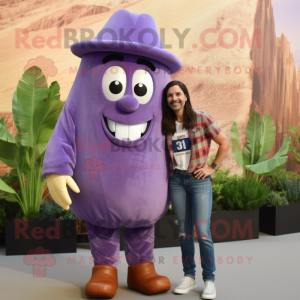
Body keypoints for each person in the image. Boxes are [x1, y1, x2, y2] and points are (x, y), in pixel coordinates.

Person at [161, 80, 229, 299]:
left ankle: (209, 280)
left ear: (186, 96)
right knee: (184, 232)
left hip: (199, 182)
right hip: (177, 181)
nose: (174, 99)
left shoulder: (201, 118)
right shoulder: (166, 124)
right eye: (170, 96)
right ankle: (189, 276)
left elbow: (224, 142)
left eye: (178, 94)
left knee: (203, 232)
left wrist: (212, 167)